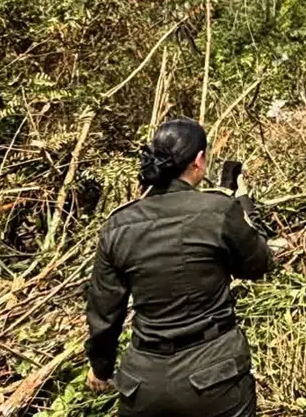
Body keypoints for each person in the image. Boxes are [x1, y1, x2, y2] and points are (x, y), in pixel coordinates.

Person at [84, 118, 275, 417]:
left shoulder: (117, 225)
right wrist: (244, 206)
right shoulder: (219, 211)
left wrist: (100, 367)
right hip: (215, 376)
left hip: (143, 384)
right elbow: (258, 264)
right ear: (199, 160)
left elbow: (104, 310)